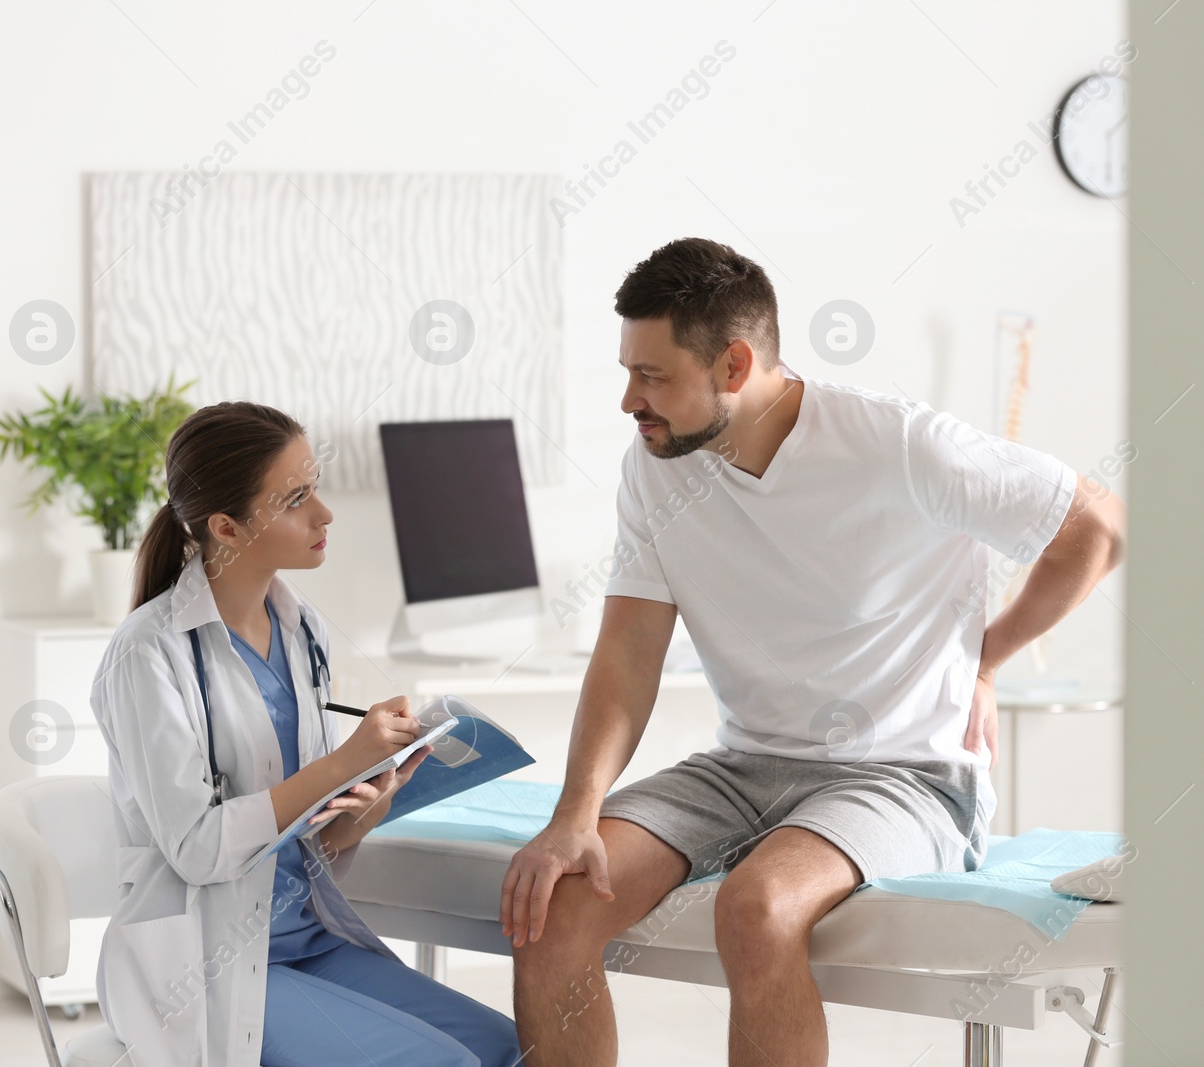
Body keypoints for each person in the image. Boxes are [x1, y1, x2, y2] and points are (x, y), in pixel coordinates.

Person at [500, 237, 1127, 1065]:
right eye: (628, 371)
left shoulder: (900, 446)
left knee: (757, 908)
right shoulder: (657, 467)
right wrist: (575, 813)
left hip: (905, 775)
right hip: (745, 764)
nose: (629, 400)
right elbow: (628, 650)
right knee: (555, 903)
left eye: (651, 376)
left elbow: (1097, 527)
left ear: (733, 364)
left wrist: (986, 659)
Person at [91, 401, 523, 1066]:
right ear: (227, 526)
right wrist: (346, 759)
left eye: (314, 485)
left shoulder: (303, 629)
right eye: (296, 498)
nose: (324, 513)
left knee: (508, 1047)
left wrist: (376, 795)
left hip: (304, 939)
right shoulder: (148, 655)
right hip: (205, 963)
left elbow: (314, 836)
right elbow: (198, 849)